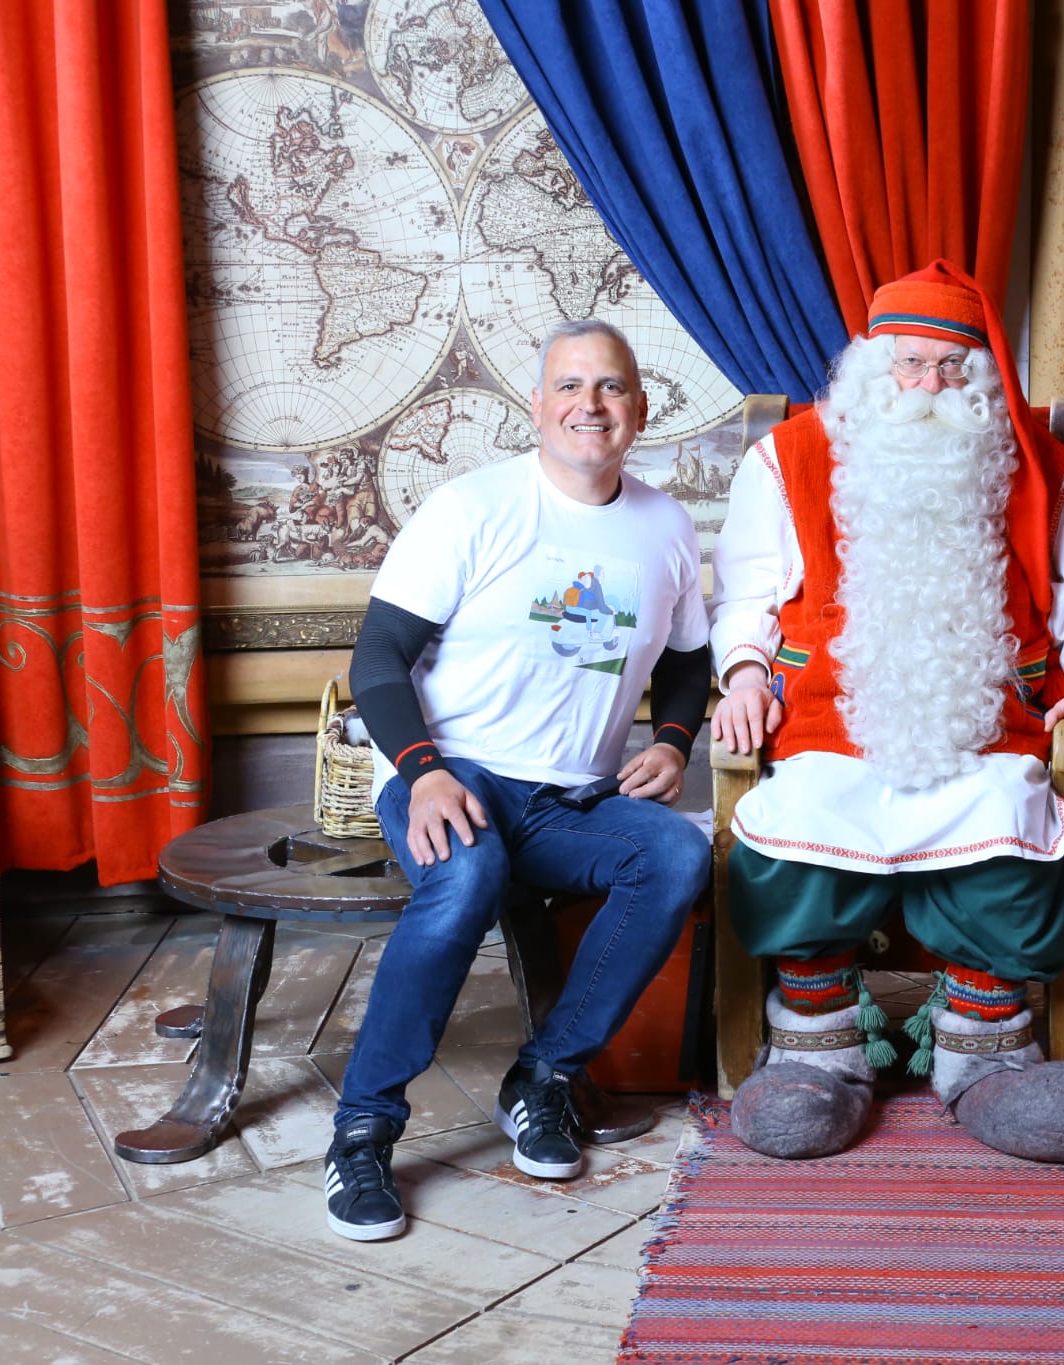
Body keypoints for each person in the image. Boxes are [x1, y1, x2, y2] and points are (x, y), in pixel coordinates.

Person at [709, 260, 1064, 1164]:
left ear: (982, 376)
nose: (930, 386)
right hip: (830, 724)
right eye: (910, 364)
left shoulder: (1045, 471)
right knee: (800, 817)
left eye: (952, 367)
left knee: (1007, 817)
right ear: (874, 369)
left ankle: (986, 1054)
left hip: (989, 728)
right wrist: (746, 674)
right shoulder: (787, 459)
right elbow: (746, 595)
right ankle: (815, 1048)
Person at [322, 319, 712, 1241]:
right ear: (537, 406)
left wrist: (672, 740)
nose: (590, 404)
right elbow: (379, 656)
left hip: (572, 797)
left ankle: (544, 1076)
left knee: (672, 856)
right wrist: (421, 772)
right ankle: (363, 1128)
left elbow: (689, 659)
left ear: (639, 408)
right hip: (453, 772)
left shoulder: (666, 525)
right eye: (569, 386)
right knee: (469, 873)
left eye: (610, 387)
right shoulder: (471, 508)